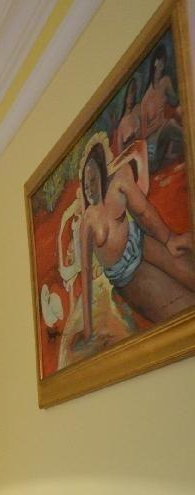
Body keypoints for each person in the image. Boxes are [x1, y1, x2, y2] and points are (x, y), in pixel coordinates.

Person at [77, 138, 195, 341]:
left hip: (141, 242)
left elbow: (144, 212)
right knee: (183, 307)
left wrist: (169, 239)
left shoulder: (119, 183)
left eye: (93, 181)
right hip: (127, 274)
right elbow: (86, 272)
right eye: (86, 184)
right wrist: (88, 328)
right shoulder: (87, 221)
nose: (89, 189)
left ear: (102, 175)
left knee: (188, 269)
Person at [140, 43, 184, 167]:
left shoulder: (165, 82)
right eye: (160, 61)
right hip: (153, 147)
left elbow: (175, 102)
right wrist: (159, 123)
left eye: (164, 62)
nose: (162, 65)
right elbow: (143, 133)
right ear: (154, 63)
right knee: (170, 125)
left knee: (177, 116)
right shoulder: (145, 100)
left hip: (166, 135)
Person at [116, 77, 143, 150]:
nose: (132, 97)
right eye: (130, 93)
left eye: (134, 92)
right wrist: (130, 140)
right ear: (125, 96)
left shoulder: (138, 109)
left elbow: (144, 130)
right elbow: (121, 151)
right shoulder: (121, 125)